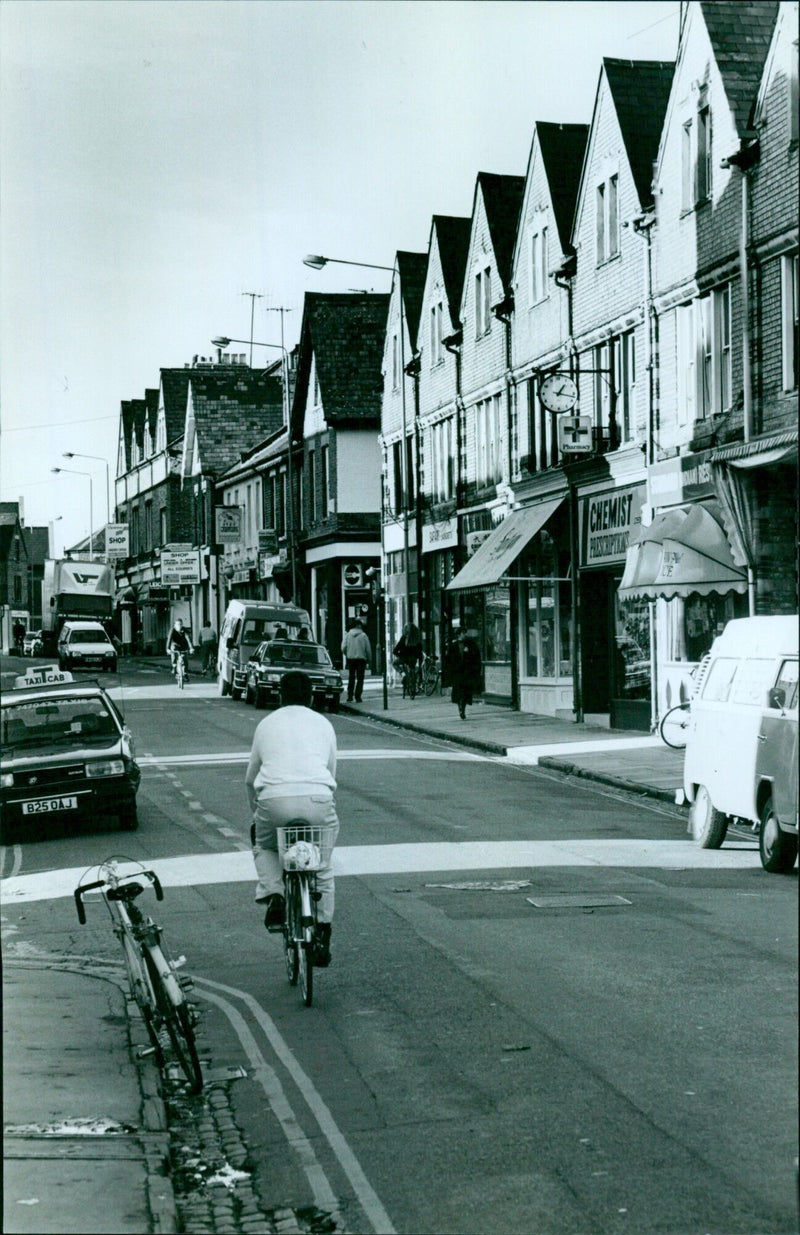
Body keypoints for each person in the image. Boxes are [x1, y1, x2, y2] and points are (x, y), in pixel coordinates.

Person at [246, 670, 338, 966]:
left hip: (274, 802)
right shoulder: (323, 724)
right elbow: (331, 773)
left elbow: (251, 779)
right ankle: (322, 931)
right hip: (317, 799)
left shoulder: (265, 724)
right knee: (322, 861)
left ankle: (274, 893)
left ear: (280, 695)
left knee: (266, 846)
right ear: (310, 696)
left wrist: (256, 815)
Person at [444, 629, 482, 720]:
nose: (464, 635)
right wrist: (449, 673)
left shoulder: (470, 644)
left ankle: (463, 708)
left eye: (465, 633)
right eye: (462, 633)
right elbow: (448, 660)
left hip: (467, 673)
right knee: (459, 692)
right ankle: (460, 708)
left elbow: (476, 657)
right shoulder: (453, 646)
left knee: (465, 692)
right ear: (458, 635)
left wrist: (475, 668)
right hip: (457, 673)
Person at [341, 619, 371, 703]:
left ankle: (350, 696)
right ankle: (358, 696)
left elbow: (343, 647)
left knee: (351, 677)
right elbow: (368, 649)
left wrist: (347, 654)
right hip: (361, 659)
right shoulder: (364, 636)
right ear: (360, 626)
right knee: (360, 678)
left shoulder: (347, 635)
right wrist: (369, 659)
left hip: (351, 659)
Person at [393, 622, 423, 697]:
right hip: (413, 659)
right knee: (412, 669)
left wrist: (399, 655)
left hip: (404, 658)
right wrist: (419, 660)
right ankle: (414, 686)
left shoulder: (404, 638)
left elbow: (395, 650)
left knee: (394, 663)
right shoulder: (417, 638)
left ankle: (402, 673)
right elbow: (420, 651)